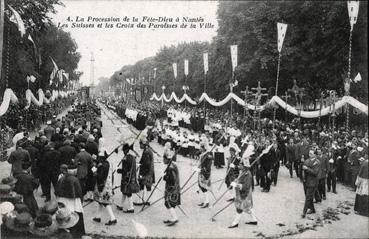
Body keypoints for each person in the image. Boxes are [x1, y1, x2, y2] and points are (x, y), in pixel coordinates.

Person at [55, 164, 85, 237]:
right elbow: (79, 192)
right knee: (75, 216)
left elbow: (57, 191)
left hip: (62, 201)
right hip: (73, 202)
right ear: (74, 171)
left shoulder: (61, 178)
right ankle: (77, 234)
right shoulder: (75, 179)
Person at [228, 157, 258, 228]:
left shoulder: (247, 174)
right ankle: (254, 220)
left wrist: (237, 185)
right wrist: (235, 181)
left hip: (245, 193)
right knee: (248, 207)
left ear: (244, 166)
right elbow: (239, 179)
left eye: (240, 165)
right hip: (242, 193)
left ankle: (235, 223)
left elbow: (246, 186)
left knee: (239, 208)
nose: (239, 166)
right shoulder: (243, 172)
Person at [92, 150, 117, 225]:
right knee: (101, 201)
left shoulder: (101, 165)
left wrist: (95, 173)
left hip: (103, 186)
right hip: (108, 185)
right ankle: (98, 216)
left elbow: (100, 177)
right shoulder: (108, 164)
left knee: (105, 202)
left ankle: (113, 218)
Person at [116, 143, 139, 213]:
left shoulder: (127, 158)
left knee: (128, 192)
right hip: (131, 177)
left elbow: (125, 170)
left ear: (126, 150)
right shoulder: (132, 157)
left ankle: (131, 207)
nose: (123, 152)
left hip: (127, 178)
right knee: (124, 191)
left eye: (124, 150)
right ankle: (121, 205)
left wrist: (119, 170)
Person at [163, 145, 181, 226]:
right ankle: (173, 217)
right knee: (170, 203)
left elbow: (172, 179)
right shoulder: (173, 165)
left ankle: (175, 218)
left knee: (168, 203)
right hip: (174, 188)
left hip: (172, 188)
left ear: (167, 159)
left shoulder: (170, 167)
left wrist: (164, 177)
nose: (163, 160)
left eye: (164, 159)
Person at [135, 137, 155, 206]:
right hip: (150, 171)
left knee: (142, 185)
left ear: (143, 144)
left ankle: (140, 200)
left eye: (140, 144)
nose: (140, 146)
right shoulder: (148, 150)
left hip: (145, 171)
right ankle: (148, 200)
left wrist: (139, 164)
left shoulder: (146, 152)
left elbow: (146, 163)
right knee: (147, 186)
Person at [302, 150, 320, 218]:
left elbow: (315, 173)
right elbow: (303, 169)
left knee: (307, 197)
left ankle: (304, 212)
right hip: (306, 181)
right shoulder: (306, 161)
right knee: (308, 196)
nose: (310, 155)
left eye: (311, 154)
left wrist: (307, 169)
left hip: (313, 182)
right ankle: (312, 209)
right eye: (309, 153)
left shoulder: (317, 162)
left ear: (315, 155)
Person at [197, 141, 213, 208]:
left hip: (205, 172)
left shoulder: (208, 155)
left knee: (203, 187)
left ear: (203, 148)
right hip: (201, 171)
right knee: (201, 186)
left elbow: (209, 165)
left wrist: (204, 170)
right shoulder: (203, 154)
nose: (200, 148)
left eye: (201, 147)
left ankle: (207, 202)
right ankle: (205, 200)